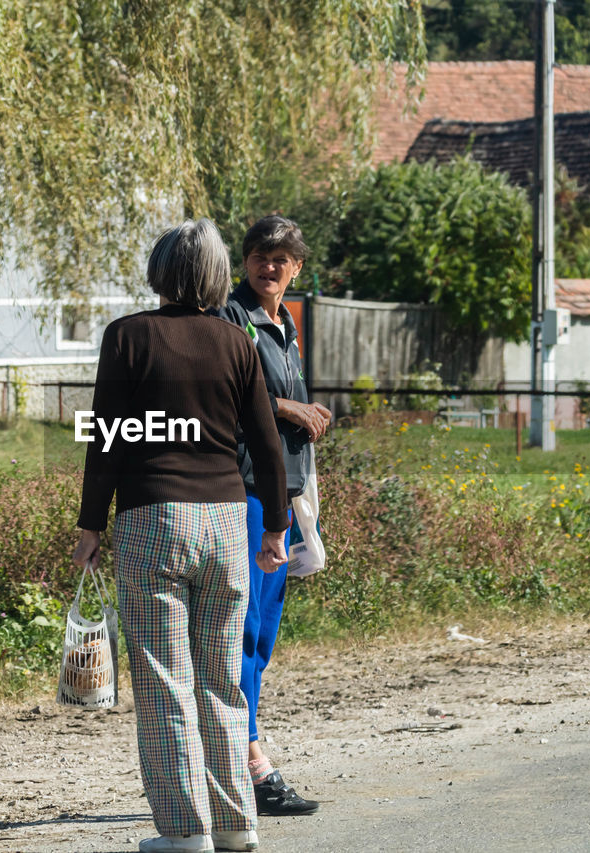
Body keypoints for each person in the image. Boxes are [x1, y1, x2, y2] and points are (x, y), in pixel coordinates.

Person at [73, 218, 290, 853]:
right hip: (226, 523)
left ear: (160, 271)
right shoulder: (236, 341)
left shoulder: (128, 337)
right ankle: (236, 825)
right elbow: (267, 446)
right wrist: (275, 527)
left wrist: (90, 525)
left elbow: (107, 440)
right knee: (221, 680)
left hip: (152, 521)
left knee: (165, 682)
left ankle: (185, 831)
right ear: (220, 274)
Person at [212, 215, 331, 817]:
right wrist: (289, 407)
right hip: (249, 491)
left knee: (260, 636)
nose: (270, 266)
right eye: (261, 255)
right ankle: (250, 765)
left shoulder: (284, 324)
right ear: (246, 260)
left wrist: (304, 412)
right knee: (242, 634)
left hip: (283, 494)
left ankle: (241, 756)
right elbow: (225, 397)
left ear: (298, 269)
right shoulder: (231, 318)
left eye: (282, 258)